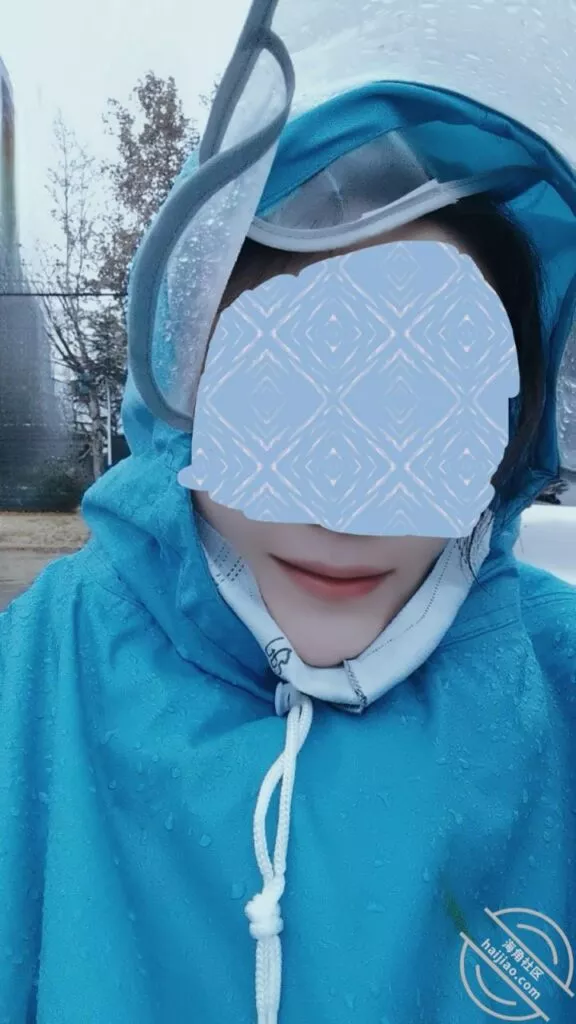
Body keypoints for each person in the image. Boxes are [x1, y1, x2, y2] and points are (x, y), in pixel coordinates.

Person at [2, 6, 576, 1023]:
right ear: (189, 395)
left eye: (424, 411)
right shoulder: (45, 673)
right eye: (278, 397)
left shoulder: (557, 680)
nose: (344, 508)